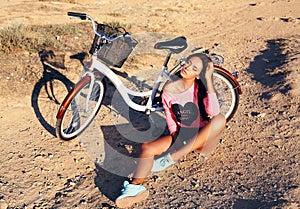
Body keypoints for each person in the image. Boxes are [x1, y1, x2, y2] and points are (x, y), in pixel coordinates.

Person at [115, 53, 226, 208]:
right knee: (147, 147)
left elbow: (214, 112)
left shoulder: (201, 89)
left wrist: (208, 80)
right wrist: (175, 134)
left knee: (220, 119)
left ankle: (173, 158)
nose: (187, 68)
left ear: (198, 75)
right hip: (183, 134)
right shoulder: (169, 88)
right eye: (188, 63)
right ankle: (134, 188)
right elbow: (169, 115)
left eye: (194, 68)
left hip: (202, 137)